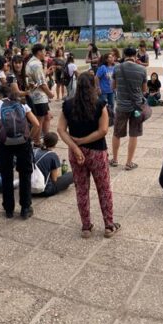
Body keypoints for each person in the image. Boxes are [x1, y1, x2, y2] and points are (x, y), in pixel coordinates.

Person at [58, 73, 117, 238]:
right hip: (97, 152)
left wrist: (75, 146)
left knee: (81, 189)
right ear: (93, 86)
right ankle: (109, 225)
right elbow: (103, 130)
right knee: (104, 188)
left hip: (76, 154)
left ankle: (86, 227)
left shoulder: (68, 105)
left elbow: (61, 129)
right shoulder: (100, 104)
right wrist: (84, 141)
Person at [0, 82, 42, 219]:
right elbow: (36, 124)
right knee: (25, 174)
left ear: (1, 95)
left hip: (5, 143)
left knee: (6, 175)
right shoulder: (22, 104)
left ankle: (9, 209)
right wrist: (29, 138)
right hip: (23, 142)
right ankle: (25, 208)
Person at [111, 47, 148, 170]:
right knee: (134, 134)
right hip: (136, 107)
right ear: (135, 55)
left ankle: (115, 159)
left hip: (121, 106)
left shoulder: (117, 68)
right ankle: (129, 162)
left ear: (124, 55)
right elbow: (144, 89)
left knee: (117, 133)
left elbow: (113, 86)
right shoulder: (142, 69)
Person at [33, 132, 74, 197]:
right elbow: (54, 179)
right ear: (55, 144)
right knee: (72, 174)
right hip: (44, 190)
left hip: (29, 189)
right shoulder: (52, 156)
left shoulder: (34, 151)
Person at [27, 44, 55, 134]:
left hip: (36, 96)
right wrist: (50, 94)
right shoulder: (36, 64)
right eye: (44, 51)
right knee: (39, 121)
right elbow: (42, 84)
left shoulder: (32, 61)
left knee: (47, 117)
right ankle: (36, 140)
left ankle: (45, 137)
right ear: (39, 52)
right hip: (38, 97)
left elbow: (38, 78)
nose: (45, 53)